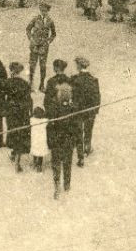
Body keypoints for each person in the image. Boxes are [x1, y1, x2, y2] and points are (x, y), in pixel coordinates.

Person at [43, 61, 78, 199]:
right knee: (68, 160)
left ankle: (57, 185)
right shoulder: (70, 84)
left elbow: (47, 104)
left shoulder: (51, 83)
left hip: (56, 136)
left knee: (56, 161)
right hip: (68, 138)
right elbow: (75, 126)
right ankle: (67, 184)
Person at [1, 62, 33, 172]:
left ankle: (15, 156)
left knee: (13, 131)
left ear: (12, 71)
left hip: (11, 111)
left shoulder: (7, 83)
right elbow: (29, 100)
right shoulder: (25, 83)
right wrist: (30, 111)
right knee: (21, 133)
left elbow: (2, 97)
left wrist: (4, 108)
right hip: (23, 111)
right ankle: (16, 156)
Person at [70, 56, 101, 167]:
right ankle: (87, 148)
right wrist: (96, 109)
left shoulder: (74, 79)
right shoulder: (93, 79)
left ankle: (80, 156)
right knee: (88, 130)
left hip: (78, 110)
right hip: (90, 110)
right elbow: (97, 96)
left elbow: (72, 95)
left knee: (78, 131)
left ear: (78, 66)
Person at [25, 3, 56, 89]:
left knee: (43, 66)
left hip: (44, 47)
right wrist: (31, 39)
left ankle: (42, 85)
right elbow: (28, 29)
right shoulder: (35, 19)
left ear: (48, 11)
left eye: (45, 11)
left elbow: (53, 34)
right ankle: (30, 83)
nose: (43, 12)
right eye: (42, 10)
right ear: (40, 10)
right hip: (34, 45)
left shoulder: (50, 21)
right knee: (32, 65)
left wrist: (48, 42)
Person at [28, 104, 49, 173]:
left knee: (35, 151)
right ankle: (39, 167)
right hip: (42, 141)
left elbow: (30, 118)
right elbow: (48, 120)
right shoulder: (44, 121)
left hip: (34, 140)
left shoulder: (32, 120)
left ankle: (34, 163)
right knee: (40, 154)